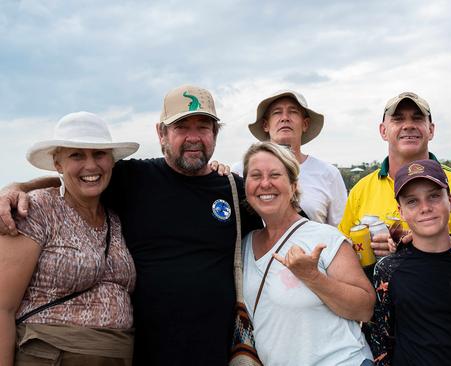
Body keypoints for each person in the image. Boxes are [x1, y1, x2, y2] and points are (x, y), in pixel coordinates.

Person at [0, 85, 263, 365]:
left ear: (215, 134)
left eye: (203, 127)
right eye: (181, 127)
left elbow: (272, 236)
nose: (193, 137)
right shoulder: (134, 178)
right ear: (161, 133)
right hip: (142, 354)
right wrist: (17, 188)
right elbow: (75, 182)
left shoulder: (234, 191)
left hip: (216, 353)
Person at [0, 112, 139, 364]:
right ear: (58, 163)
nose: (91, 166)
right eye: (76, 155)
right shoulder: (35, 209)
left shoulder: (115, 218)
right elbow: (2, 308)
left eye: (99, 154)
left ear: (111, 161)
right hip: (49, 356)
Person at [241, 141, 374, 365]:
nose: (265, 183)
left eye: (275, 175)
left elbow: (365, 309)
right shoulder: (244, 245)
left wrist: (313, 277)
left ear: (293, 185)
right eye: (255, 176)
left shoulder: (325, 237)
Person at [338, 92, 451, 258]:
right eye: (398, 119)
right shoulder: (361, 190)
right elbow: (342, 249)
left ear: (431, 130)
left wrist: (415, 245)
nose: (408, 125)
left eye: (417, 118)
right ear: (383, 131)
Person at [368, 159, 451, 365]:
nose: (425, 208)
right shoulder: (387, 270)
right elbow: (381, 338)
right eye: (412, 201)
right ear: (401, 212)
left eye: (434, 196)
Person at [231, 90, 347, 226]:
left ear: (305, 124)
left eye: (293, 112)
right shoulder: (241, 171)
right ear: (265, 125)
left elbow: (340, 233)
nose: (285, 118)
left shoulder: (329, 174)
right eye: (277, 112)